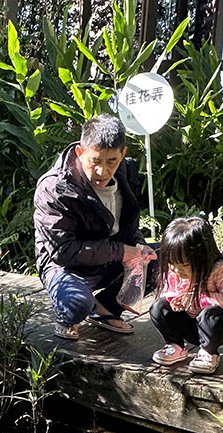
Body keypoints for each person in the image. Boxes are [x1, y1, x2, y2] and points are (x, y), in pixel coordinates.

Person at [34, 114, 155, 340]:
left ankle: (105, 309)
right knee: (76, 303)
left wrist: (138, 246)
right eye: (95, 161)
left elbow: (128, 225)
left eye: (112, 161)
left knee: (162, 258)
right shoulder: (55, 188)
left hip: (108, 260)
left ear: (123, 154)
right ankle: (71, 314)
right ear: (81, 152)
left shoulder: (125, 173)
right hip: (64, 267)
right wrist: (122, 252)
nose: (102, 171)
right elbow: (63, 252)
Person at [149, 216, 223, 374]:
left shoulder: (222, 270)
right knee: (159, 307)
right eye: (172, 264)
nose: (177, 270)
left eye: (185, 265)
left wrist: (199, 298)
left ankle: (209, 352)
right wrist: (175, 300)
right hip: (189, 324)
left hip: (216, 328)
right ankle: (175, 345)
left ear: (203, 257)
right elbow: (169, 290)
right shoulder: (175, 270)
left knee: (210, 315)